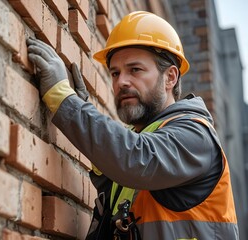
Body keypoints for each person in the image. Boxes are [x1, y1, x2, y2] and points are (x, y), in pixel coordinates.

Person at [26, 11, 239, 240]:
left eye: (134, 70)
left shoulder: (196, 134)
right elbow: (122, 163)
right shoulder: (143, 139)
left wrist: (66, 102)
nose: (121, 82)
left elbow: (137, 158)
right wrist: (81, 112)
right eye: (115, 73)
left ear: (170, 77)